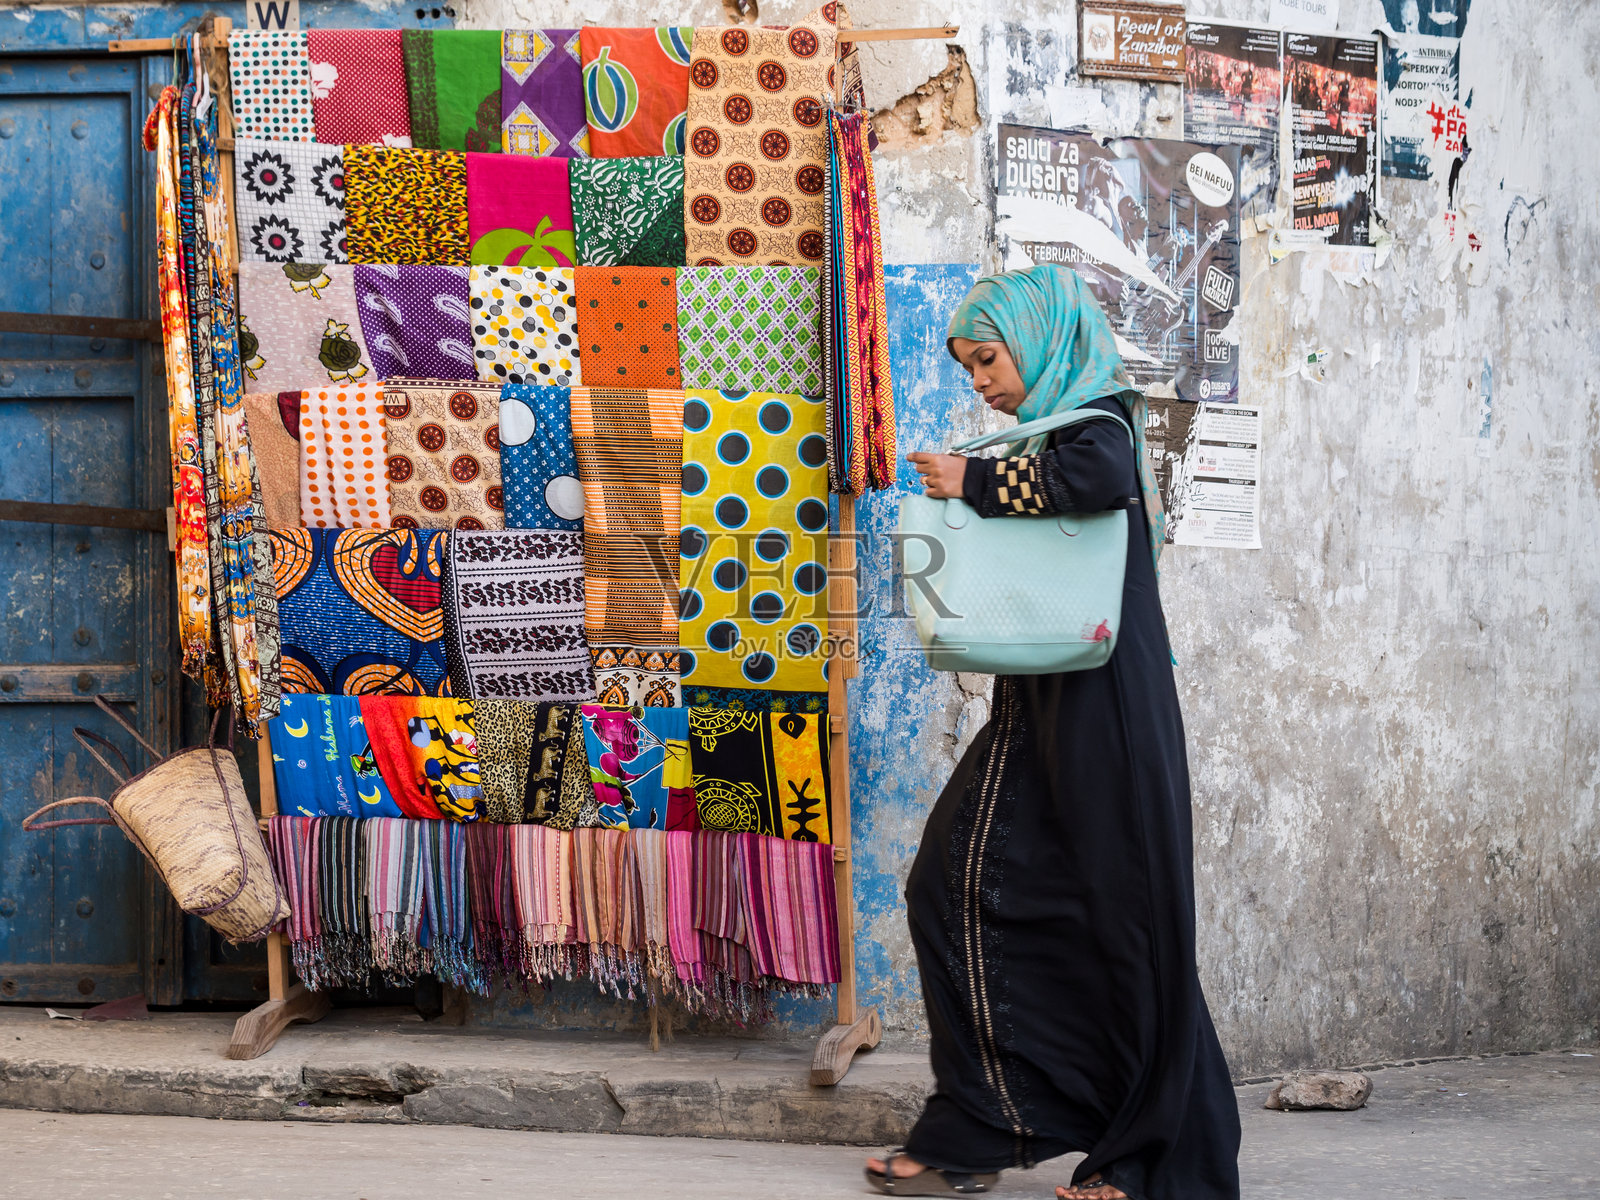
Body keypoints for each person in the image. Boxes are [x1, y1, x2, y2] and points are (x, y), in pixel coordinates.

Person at [864, 266, 1241, 1200]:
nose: (981, 382)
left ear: (1039, 341)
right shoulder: (1049, 431)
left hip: (1111, 710)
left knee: (1125, 921)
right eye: (969, 367)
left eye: (989, 360)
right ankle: (981, 1125)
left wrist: (973, 477)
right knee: (950, 885)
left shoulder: (1099, 418)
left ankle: (1153, 1160)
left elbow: (1101, 474)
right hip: (1042, 703)